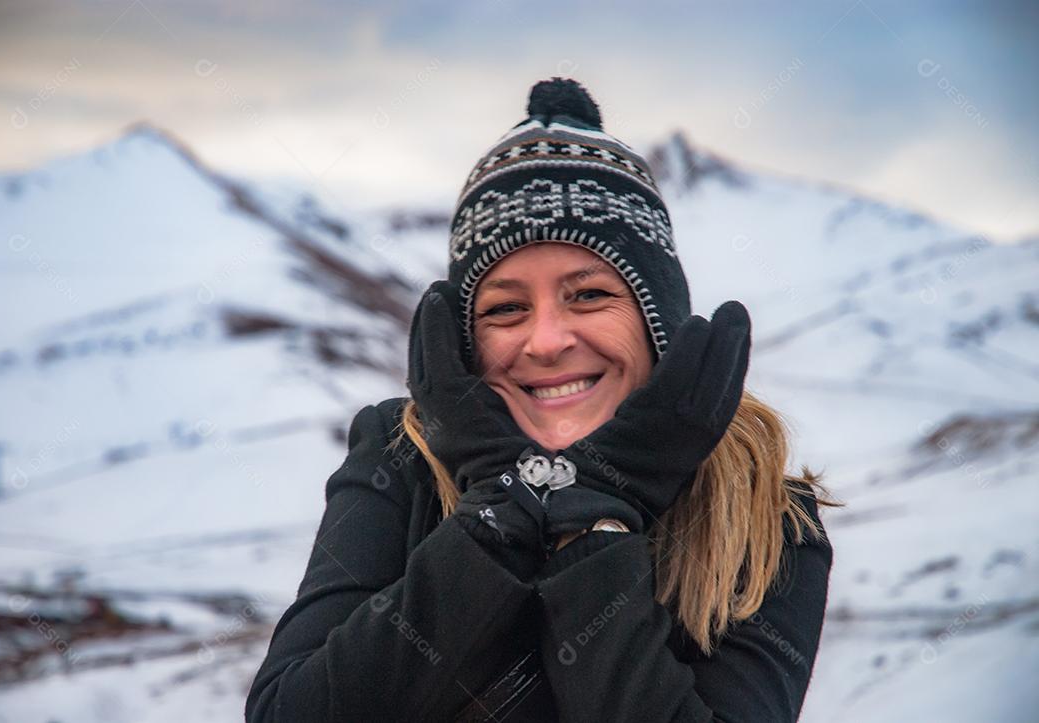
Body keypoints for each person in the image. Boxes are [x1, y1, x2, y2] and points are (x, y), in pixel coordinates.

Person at [245, 77, 839, 722]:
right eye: (506, 309)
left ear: (656, 320)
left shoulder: (761, 513)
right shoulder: (401, 458)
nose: (547, 341)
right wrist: (499, 511)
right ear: (464, 340)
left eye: (588, 295)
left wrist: (599, 520)